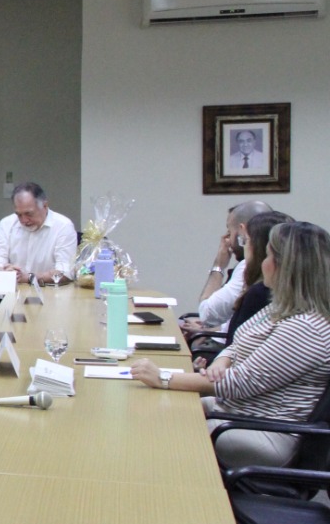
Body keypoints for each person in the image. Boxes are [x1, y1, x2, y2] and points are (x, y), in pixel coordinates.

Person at [131, 221, 330, 468]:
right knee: (149, 408)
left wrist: (163, 378)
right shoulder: (280, 307)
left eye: (268, 255)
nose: (262, 262)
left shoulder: (306, 327)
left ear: (285, 267)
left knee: (163, 426)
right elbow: (238, 343)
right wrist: (223, 360)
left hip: (264, 431)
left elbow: (238, 383)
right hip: (237, 412)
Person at [0, 182, 78, 339]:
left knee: (41, 337)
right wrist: (7, 273)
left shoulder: (63, 226)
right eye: (19, 214)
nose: (24, 220)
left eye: (29, 214)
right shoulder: (6, 224)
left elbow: (64, 273)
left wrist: (29, 277)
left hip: (49, 300)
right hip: (12, 299)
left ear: (45, 205)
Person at [191, 211, 293, 361]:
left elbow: (209, 315)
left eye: (245, 240)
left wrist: (218, 266)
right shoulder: (266, 289)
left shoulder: (259, 291)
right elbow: (245, 334)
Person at [182, 200, 272, 336]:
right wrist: (210, 329)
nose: (227, 240)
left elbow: (208, 314)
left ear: (242, 232)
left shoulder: (247, 267)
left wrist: (218, 266)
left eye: (229, 232)